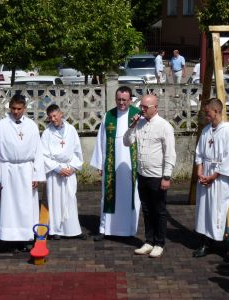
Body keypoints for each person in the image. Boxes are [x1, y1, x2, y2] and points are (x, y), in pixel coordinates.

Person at [0, 94, 45, 252]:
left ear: (24, 108)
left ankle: (26, 237)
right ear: (9, 108)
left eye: (19, 109)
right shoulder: (1, 126)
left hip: (26, 170)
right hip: (7, 170)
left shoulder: (32, 126)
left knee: (26, 206)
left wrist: (37, 175)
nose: (16, 112)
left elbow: (38, 152)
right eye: (13, 108)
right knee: (9, 206)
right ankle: (9, 238)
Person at [124, 94, 176, 258]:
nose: (142, 110)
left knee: (159, 210)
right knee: (146, 209)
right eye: (142, 107)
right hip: (142, 173)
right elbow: (127, 142)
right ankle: (149, 240)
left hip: (157, 175)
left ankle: (159, 243)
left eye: (146, 107)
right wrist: (132, 125)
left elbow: (170, 153)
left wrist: (166, 176)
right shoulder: (138, 124)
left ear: (155, 107)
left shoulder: (164, 126)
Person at [90, 86, 141, 241]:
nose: (121, 103)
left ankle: (129, 231)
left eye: (124, 100)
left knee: (131, 196)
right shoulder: (109, 115)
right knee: (108, 195)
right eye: (118, 99)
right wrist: (100, 163)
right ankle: (105, 229)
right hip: (111, 164)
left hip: (131, 165)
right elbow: (101, 140)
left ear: (130, 100)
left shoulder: (137, 116)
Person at [192, 98, 229, 258]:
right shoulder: (206, 131)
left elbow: (228, 158)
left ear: (216, 111)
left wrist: (213, 176)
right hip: (205, 173)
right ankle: (205, 242)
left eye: (208, 112)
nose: (206, 115)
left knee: (218, 209)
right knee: (204, 209)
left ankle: (223, 242)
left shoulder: (227, 132)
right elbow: (199, 153)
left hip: (219, 177)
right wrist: (200, 170)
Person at [41, 104, 86, 240]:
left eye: (55, 116)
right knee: (55, 200)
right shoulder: (47, 133)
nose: (53, 119)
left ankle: (73, 230)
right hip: (55, 171)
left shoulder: (71, 130)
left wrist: (72, 168)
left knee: (70, 198)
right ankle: (56, 231)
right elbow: (43, 155)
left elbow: (77, 150)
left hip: (69, 169)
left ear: (61, 114)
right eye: (50, 117)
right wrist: (57, 169)